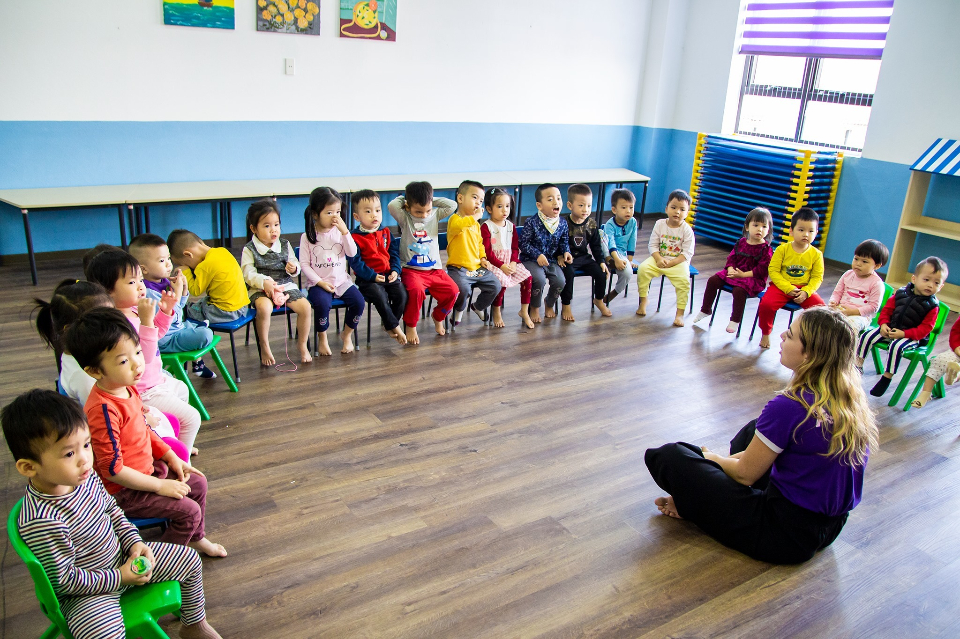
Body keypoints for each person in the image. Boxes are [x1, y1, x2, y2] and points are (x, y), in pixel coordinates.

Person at [645, 307, 879, 564]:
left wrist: (712, 459)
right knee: (753, 430)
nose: (782, 336)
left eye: (790, 335)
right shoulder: (851, 401)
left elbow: (744, 475)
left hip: (785, 535)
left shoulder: (791, 405)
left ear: (809, 354)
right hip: (829, 528)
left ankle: (694, 501)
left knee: (670, 456)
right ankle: (699, 496)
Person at [1, 390, 222, 639]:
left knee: (190, 560)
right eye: (69, 454)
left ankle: (193, 625)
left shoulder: (84, 478)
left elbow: (113, 512)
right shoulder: (42, 520)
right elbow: (64, 581)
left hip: (120, 559)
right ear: (28, 467)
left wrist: (134, 542)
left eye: (87, 445)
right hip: (85, 594)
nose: (85, 460)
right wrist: (120, 577)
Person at [64, 308, 227, 558]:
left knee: (197, 483)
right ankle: (158, 563)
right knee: (189, 511)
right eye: (123, 361)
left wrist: (170, 456)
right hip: (124, 492)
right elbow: (112, 470)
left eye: (138, 352)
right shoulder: (103, 410)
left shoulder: (127, 388)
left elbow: (144, 429)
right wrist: (159, 486)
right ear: (95, 371)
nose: (137, 364)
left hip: (147, 472)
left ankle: (195, 537)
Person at [34, 280, 190, 463]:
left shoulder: (90, 356)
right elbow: (104, 422)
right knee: (178, 448)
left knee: (171, 422)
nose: (113, 324)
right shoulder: (84, 375)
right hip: (116, 440)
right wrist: (143, 419)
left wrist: (139, 409)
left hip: (125, 419)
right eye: (102, 321)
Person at [86, 250, 202, 456]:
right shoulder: (117, 324)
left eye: (140, 279)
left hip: (155, 381)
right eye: (132, 282)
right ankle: (181, 461)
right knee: (192, 417)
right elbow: (144, 357)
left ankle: (174, 442)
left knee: (182, 390)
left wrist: (165, 312)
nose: (141, 286)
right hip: (142, 390)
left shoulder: (133, 310)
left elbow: (156, 336)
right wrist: (147, 321)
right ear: (107, 291)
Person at [855, 256, 947, 397]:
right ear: (914, 279)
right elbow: (887, 310)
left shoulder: (933, 306)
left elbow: (925, 329)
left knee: (896, 346)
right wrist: (883, 324)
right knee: (867, 335)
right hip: (890, 328)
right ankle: (858, 365)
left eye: (936, 283)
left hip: (911, 337)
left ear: (940, 287)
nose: (930, 285)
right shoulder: (901, 293)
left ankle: (887, 377)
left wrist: (904, 334)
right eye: (926, 280)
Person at [128, 234, 217, 379]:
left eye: (168, 258)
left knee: (199, 326)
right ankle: (198, 363)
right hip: (166, 338)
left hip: (177, 328)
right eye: (161, 260)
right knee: (206, 334)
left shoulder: (162, 281)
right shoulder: (148, 293)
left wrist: (184, 291)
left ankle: (198, 365)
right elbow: (172, 317)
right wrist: (178, 293)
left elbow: (178, 310)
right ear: (144, 269)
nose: (168, 264)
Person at [242, 198, 313, 364]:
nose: (273, 230)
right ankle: (264, 346)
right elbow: (247, 274)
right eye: (267, 226)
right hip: (259, 289)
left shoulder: (284, 244)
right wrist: (264, 282)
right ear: (254, 228)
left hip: (284, 285)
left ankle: (302, 345)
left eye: (276, 224)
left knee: (305, 307)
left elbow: (295, 264)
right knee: (264, 308)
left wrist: (293, 268)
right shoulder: (249, 249)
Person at [388, 181, 460, 345]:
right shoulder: (405, 217)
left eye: (427, 210)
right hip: (411, 270)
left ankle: (438, 316)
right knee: (416, 292)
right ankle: (411, 325)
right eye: (418, 211)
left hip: (434, 269)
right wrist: (406, 200)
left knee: (453, 291)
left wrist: (430, 200)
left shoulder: (435, 214)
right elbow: (392, 205)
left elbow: (452, 205)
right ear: (408, 206)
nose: (424, 215)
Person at [300, 187, 365, 355]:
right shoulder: (307, 236)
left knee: (359, 302)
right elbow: (304, 265)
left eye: (337, 212)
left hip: (341, 281)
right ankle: (322, 337)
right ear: (315, 214)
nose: (335, 217)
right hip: (319, 283)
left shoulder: (340, 232)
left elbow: (352, 253)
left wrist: (345, 232)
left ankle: (347, 335)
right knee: (322, 304)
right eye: (329, 213)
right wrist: (320, 283)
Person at [692, 207, 773, 333]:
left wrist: (743, 275)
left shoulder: (766, 249)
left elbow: (761, 270)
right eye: (756, 225)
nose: (760, 229)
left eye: (764, 226)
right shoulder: (741, 242)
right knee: (713, 280)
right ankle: (705, 309)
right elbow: (732, 258)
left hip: (752, 278)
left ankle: (735, 320)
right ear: (747, 227)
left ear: (768, 230)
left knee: (739, 290)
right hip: (735, 272)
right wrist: (730, 269)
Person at [756, 207, 825, 349]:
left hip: (804, 289)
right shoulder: (782, 249)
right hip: (781, 287)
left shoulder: (817, 254)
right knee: (766, 305)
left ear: (816, 233)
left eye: (811, 231)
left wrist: (806, 291)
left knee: (822, 311)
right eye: (801, 230)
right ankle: (766, 333)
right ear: (791, 231)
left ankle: (811, 340)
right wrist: (787, 288)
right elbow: (773, 271)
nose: (806, 234)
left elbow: (817, 277)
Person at [348, 189, 408, 345]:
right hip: (367, 279)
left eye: (377, 210)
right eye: (368, 211)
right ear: (357, 217)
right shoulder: (354, 237)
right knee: (379, 296)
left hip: (388, 274)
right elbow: (356, 263)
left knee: (402, 294)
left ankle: (390, 323)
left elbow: (394, 253)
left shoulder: (385, 232)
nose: (374, 215)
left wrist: (395, 270)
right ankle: (395, 327)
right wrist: (372, 276)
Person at [445, 180, 502, 327]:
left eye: (481, 200)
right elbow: (460, 226)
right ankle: (459, 309)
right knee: (463, 289)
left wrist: (483, 258)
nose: (478, 203)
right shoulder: (454, 220)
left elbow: (479, 244)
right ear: (460, 198)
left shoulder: (475, 225)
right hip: (458, 268)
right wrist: (475, 217)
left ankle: (478, 306)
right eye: (475, 197)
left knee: (495, 285)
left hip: (476, 268)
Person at [636, 189, 695, 326]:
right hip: (659, 258)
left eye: (682, 209)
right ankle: (643, 300)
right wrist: (658, 258)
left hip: (678, 262)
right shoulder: (660, 224)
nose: (677, 212)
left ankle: (679, 313)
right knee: (643, 269)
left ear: (687, 213)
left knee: (683, 282)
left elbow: (687, 253)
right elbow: (653, 245)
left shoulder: (687, 230)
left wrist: (672, 262)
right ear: (666, 209)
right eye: (673, 207)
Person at [167, 229, 251, 325]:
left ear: (188, 254)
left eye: (185, 264)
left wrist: (185, 271)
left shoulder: (204, 265)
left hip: (224, 312)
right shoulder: (222, 251)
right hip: (242, 307)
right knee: (203, 301)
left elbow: (195, 291)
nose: (189, 267)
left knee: (187, 310)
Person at [518, 183, 572, 324]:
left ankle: (549, 303)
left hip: (551, 260)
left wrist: (566, 251)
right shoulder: (531, 222)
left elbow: (564, 241)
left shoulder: (562, 223)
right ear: (539, 205)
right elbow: (523, 244)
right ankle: (534, 307)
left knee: (560, 281)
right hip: (531, 259)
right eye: (550, 199)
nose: (556, 202)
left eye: (558, 198)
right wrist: (537, 255)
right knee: (539, 279)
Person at [480, 188, 532, 328]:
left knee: (527, 277)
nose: (505, 210)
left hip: (510, 262)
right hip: (494, 264)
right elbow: (487, 252)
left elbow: (515, 248)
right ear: (489, 209)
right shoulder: (486, 227)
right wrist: (501, 266)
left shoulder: (511, 226)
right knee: (501, 282)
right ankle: (496, 310)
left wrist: (513, 262)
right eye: (499, 206)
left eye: (507, 206)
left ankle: (524, 311)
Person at [560, 183, 610, 321]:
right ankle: (566, 304)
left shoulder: (591, 224)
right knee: (568, 274)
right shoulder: (563, 223)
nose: (586, 209)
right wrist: (559, 256)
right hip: (568, 259)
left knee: (601, 273)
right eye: (581, 205)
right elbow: (558, 243)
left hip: (584, 257)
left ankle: (598, 299)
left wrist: (601, 261)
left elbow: (596, 246)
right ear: (570, 205)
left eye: (589, 205)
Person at [828, 239, 889, 332]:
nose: (858, 264)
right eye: (856, 259)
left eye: (864, 261)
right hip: (840, 309)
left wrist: (852, 312)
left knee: (847, 328)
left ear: (877, 266)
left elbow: (873, 307)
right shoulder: (847, 274)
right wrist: (833, 301)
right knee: (819, 317)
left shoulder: (876, 283)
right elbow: (837, 293)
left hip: (860, 317)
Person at [911, 317, 960, 409]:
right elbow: (956, 332)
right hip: (958, 350)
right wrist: (956, 347)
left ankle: (954, 376)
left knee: (955, 366)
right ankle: (925, 393)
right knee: (939, 360)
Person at [601, 189, 638, 306]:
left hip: (621, 253)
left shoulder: (633, 222)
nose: (628, 211)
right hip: (608, 252)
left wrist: (630, 260)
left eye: (631, 207)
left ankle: (615, 292)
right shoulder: (610, 225)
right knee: (600, 235)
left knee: (627, 272)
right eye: (624, 207)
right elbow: (611, 243)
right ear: (614, 210)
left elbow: (632, 241)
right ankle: (609, 260)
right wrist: (616, 259)